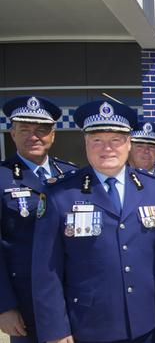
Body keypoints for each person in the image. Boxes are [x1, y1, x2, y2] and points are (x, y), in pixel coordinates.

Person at [31, 100, 155, 343]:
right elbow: (46, 270)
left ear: (129, 143)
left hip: (150, 321)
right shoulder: (60, 194)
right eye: (97, 140)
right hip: (90, 325)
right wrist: (56, 329)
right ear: (86, 143)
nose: (107, 148)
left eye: (116, 140)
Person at [0, 96, 77, 342]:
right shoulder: (1, 177)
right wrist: (4, 306)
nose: (34, 136)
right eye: (25, 129)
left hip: (73, 294)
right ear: (12, 133)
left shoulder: (71, 175)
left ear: (53, 135)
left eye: (41, 130)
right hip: (25, 300)